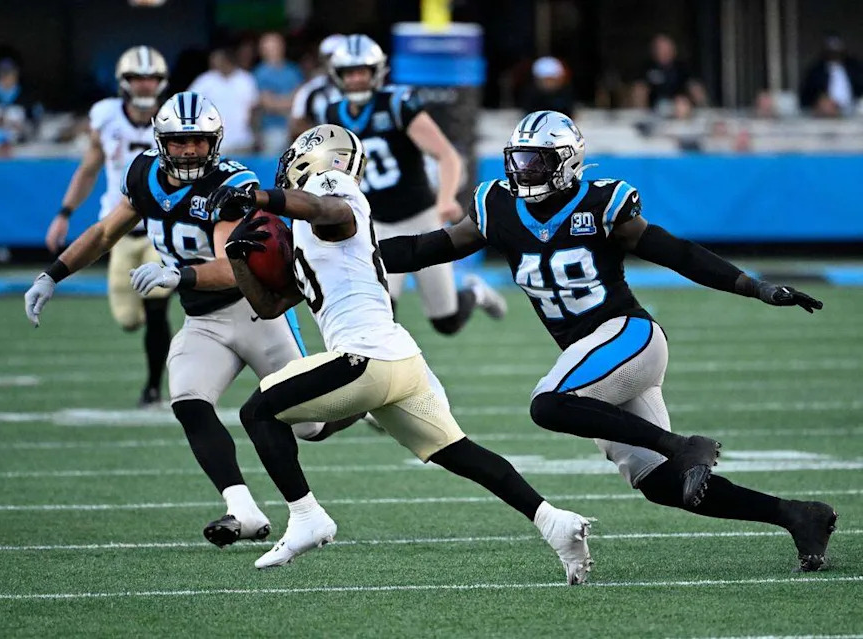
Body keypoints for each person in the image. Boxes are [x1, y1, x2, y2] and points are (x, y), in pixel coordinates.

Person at [377, 110, 838, 572]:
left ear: (568, 162)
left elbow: (675, 252)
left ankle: (682, 444)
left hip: (629, 336)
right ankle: (798, 516)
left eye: (537, 162)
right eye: (518, 160)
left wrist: (753, 286)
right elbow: (424, 250)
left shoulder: (601, 204)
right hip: (595, 359)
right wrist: (357, 251)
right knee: (662, 484)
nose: (523, 171)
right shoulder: (496, 207)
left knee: (549, 404)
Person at [208, 124, 594, 584]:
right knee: (460, 452)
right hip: (398, 362)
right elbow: (269, 305)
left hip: (367, 357)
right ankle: (555, 522)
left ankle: (308, 516)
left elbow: (325, 207)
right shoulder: (312, 236)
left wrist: (260, 198)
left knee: (259, 412)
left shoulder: (332, 187)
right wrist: (237, 256)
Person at [25, 92, 342, 550]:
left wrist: (179, 273)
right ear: (160, 141)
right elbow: (104, 233)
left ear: (214, 141)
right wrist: (53, 274)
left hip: (256, 311)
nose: (189, 150)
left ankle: (362, 403)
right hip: (203, 319)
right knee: (189, 401)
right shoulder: (143, 174)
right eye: (179, 141)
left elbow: (232, 263)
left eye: (197, 141)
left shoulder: (230, 185)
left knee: (309, 427)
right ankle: (243, 510)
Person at [320, 34, 506, 336]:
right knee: (380, 312)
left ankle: (475, 293)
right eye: (349, 73)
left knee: (446, 321)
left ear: (376, 72)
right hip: (375, 224)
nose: (355, 79)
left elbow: (447, 155)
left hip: (420, 220)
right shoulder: (331, 114)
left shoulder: (397, 104)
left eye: (362, 72)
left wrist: (446, 198)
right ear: (338, 76)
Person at [44, 46, 172, 407]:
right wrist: (64, 212)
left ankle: (152, 388)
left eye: (151, 78)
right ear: (124, 82)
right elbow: (88, 169)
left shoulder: (172, 120)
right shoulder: (106, 117)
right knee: (129, 319)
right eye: (138, 78)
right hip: (116, 229)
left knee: (157, 306)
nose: (145, 86)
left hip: (161, 228)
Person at [188, 45, 258, 154]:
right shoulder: (205, 80)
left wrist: (256, 136)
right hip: (213, 142)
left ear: (226, 60)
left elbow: (254, 110)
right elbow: (189, 105)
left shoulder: (245, 79)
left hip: (242, 141)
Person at [253, 32, 303, 154]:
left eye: (275, 46)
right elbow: (268, 104)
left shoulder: (293, 70)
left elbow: (300, 98)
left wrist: (278, 101)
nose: (273, 50)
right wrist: (289, 102)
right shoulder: (259, 73)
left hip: (296, 130)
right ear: (262, 50)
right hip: (271, 130)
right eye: (268, 47)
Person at [288, 33, 346, 138]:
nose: (334, 62)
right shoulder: (310, 90)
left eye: (340, 57)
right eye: (330, 57)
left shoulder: (363, 87)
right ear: (322, 60)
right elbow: (296, 125)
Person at [633, 34, 707, 114]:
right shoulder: (647, 67)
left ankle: (705, 112)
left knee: (693, 91)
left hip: (678, 105)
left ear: (673, 50)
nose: (663, 52)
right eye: (659, 48)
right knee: (639, 89)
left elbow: (692, 84)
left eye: (666, 48)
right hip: (653, 106)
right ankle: (640, 116)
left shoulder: (682, 67)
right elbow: (639, 86)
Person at [799, 34, 863, 117]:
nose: (834, 54)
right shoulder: (816, 71)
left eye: (837, 50)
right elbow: (806, 95)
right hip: (826, 114)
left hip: (853, 110)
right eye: (831, 51)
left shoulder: (854, 68)